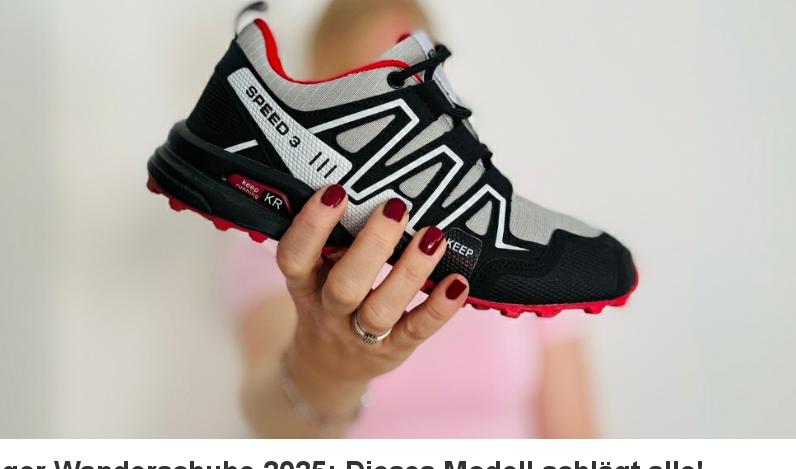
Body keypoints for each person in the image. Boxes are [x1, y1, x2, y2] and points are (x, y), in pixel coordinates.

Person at [229, 0, 598, 438]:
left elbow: (575, 438)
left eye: (421, 74)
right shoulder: (281, 224)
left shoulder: (518, 228)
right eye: (377, 78)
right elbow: (271, 423)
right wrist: (328, 374)